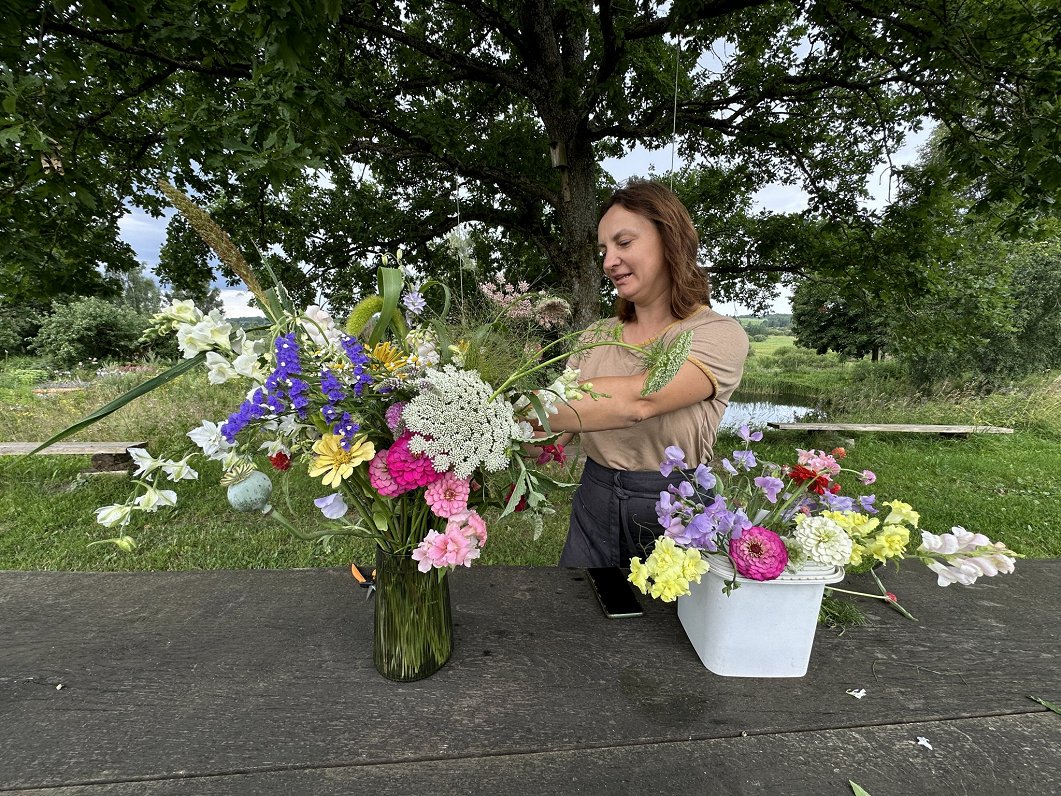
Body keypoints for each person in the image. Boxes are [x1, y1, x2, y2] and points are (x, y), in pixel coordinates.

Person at [543, 180, 748, 568]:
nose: (608, 262)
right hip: (594, 498)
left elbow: (639, 401)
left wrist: (500, 409)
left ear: (670, 240)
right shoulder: (595, 336)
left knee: (669, 622)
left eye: (623, 243)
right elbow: (554, 432)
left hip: (677, 508)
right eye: (604, 250)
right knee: (583, 610)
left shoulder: (716, 334)